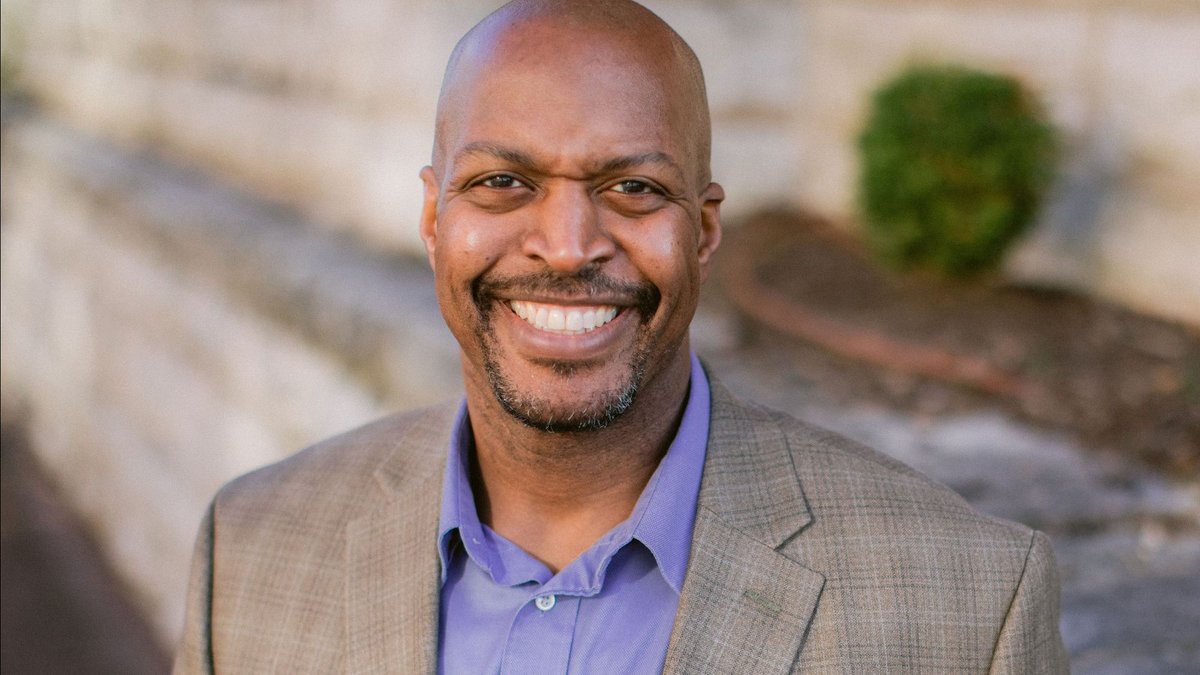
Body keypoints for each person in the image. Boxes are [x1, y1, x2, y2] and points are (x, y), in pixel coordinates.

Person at [174, 1, 1068, 672]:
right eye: (503, 182)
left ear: (705, 232)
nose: (567, 247)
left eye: (633, 188)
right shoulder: (250, 553)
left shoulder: (969, 610)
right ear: (434, 218)